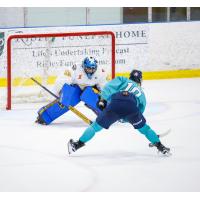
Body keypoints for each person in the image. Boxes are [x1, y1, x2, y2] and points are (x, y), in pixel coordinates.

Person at [67, 69, 171, 156]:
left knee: (95, 127)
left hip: (116, 102)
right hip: (132, 108)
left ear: (130, 77)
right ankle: (161, 147)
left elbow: (109, 87)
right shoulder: (142, 93)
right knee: (145, 129)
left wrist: (103, 99)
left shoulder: (123, 79)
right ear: (140, 80)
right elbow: (141, 109)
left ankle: (77, 145)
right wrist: (127, 118)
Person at [35, 56, 109, 125]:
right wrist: (61, 93)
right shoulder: (75, 68)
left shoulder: (101, 72)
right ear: (83, 66)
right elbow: (62, 79)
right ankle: (44, 117)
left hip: (91, 89)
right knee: (64, 103)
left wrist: (106, 100)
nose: (91, 71)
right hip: (77, 87)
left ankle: (109, 114)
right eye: (88, 68)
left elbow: (105, 88)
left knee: (99, 102)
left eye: (93, 69)